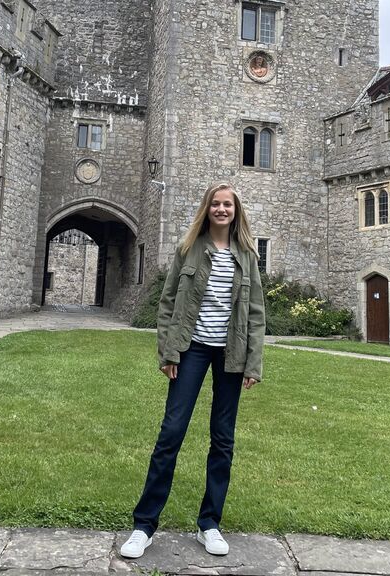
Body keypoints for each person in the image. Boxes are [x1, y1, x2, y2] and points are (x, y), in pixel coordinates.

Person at [120, 182, 265, 559]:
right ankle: (144, 526)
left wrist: (254, 363)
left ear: (236, 211)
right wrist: (168, 352)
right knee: (171, 433)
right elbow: (168, 303)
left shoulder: (247, 254)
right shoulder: (188, 250)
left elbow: (255, 314)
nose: (221, 210)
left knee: (223, 439)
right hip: (191, 349)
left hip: (231, 354)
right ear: (207, 209)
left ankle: (209, 524)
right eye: (215, 204)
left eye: (227, 205)